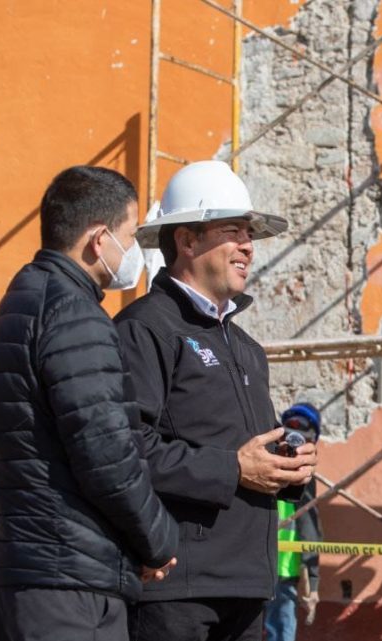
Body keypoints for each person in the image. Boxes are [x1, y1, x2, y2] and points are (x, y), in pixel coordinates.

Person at [115, 160, 318, 641]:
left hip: (248, 584)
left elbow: (251, 456)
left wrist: (286, 468)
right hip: (175, 589)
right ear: (186, 240)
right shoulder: (144, 329)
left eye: (250, 234)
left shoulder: (246, 348)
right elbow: (126, 452)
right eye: (234, 231)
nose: (248, 246)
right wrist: (233, 469)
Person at [0, 166, 178, 640]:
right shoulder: (76, 317)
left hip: (22, 574)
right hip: (70, 584)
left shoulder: (13, 308)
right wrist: (157, 540)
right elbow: (107, 453)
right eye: (129, 236)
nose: (133, 255)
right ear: (99, 239)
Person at [265, 403, 324, 641]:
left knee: (279, 630)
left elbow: (310, 530)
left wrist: (313, 581)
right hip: (263, 566)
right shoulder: (266, 468)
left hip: (283, 571)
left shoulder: (305, 480)